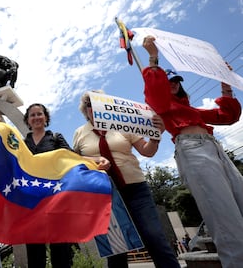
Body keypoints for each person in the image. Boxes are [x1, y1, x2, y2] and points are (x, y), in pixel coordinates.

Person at [142, 35, 243, 268]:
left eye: (176, 80)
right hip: (192, 150)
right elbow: (155, 94)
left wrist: (225, 83)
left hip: (215, 149)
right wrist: (153, 57)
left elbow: (228, 116)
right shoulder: (162, 106)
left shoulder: (192, 110)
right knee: (225, 217)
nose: (174, 83)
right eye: (169, 80)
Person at [72, 90, 181, 268]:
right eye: (90, 105)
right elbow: (74, 161)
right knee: (117, 248)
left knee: (154, 236)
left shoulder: (122, 124)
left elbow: (147, 151)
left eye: (98, 103)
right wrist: (93, 160)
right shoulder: (79, 133)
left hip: (135, 189)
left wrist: (155, 138)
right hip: (104, 195)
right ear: (86, 110)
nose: (94, 108)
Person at [23, 103, 76, 268]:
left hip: (56, 198)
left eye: (40, 114)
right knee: (34, 248)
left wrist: (94, 162)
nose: (36, 117)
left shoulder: (55, 137)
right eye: (33, 115)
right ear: (28, 120)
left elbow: (72, 158)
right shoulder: (23, 143)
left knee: (60, 247)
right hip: (32, 200)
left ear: (46, 118)